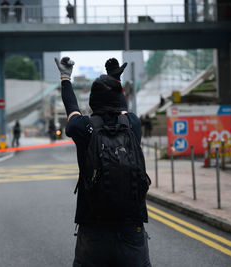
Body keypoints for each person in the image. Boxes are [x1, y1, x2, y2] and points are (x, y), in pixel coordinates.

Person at [54, 57, 151, 267]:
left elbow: (71, 107)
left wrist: (65, 77)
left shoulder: (82, 128)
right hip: (131, 224)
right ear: (119, 99)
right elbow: (121, 108)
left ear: (92, 102)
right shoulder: (132, 124)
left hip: (93, 226)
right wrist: (114, 78)